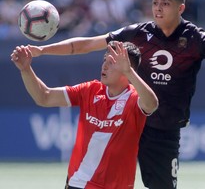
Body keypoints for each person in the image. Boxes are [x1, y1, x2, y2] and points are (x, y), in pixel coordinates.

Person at [27, 0, 205, 189]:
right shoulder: (139, 32)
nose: (158, 8)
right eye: (155, 3)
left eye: (165, 3)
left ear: (181, 8)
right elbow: (84, 44)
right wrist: (41, 50)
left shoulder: (196, 38)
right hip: (128, 119)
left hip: (163, 129)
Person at [11, 41, 158, 189]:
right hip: (78, 183)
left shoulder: (135, 98)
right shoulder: (90, 90)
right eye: (104, 60)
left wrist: (129, 73)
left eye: (112, 63)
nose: (104, 66)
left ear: (127, 68)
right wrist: (25, 69)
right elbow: (44, 97)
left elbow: (152, 104)